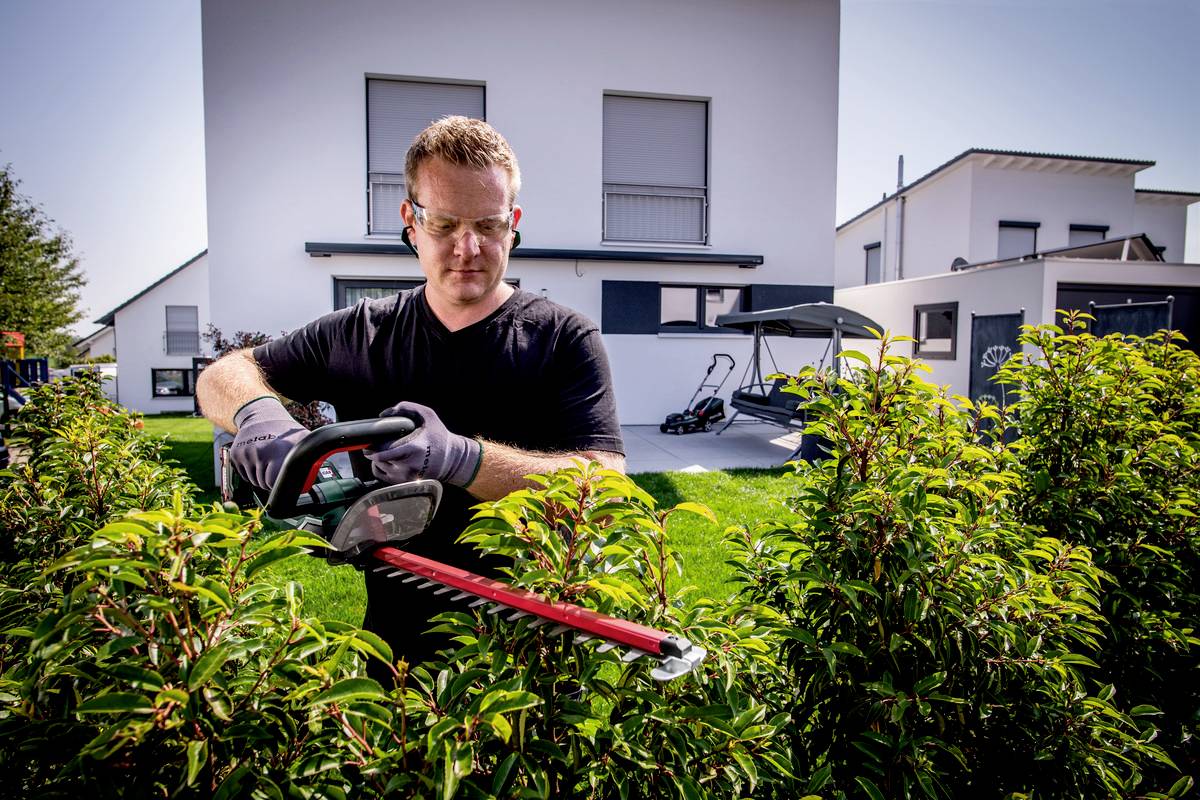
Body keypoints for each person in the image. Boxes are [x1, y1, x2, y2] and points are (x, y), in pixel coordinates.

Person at [196, 116, 625, 674]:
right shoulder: (360, 333)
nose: (467, 247)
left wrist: (461, 458)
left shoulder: (563, 339)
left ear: (513, 223)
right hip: (393, 656)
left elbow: (607, 487)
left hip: (530, 665)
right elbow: (221, 375)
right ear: (411, 221)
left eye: (488, 226)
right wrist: (258, 415)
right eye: (444, 223)